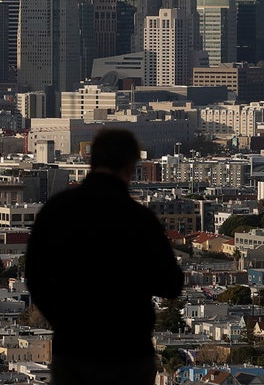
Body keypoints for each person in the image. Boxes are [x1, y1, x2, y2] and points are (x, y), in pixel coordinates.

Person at [27, 127, 183, 384]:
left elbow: (35, 277)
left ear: (91, 161)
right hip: (128, 349)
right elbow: (171, 284)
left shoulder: (57, 211)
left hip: (75, 347)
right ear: (130, 166)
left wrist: (63, 319)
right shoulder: (139, 219)